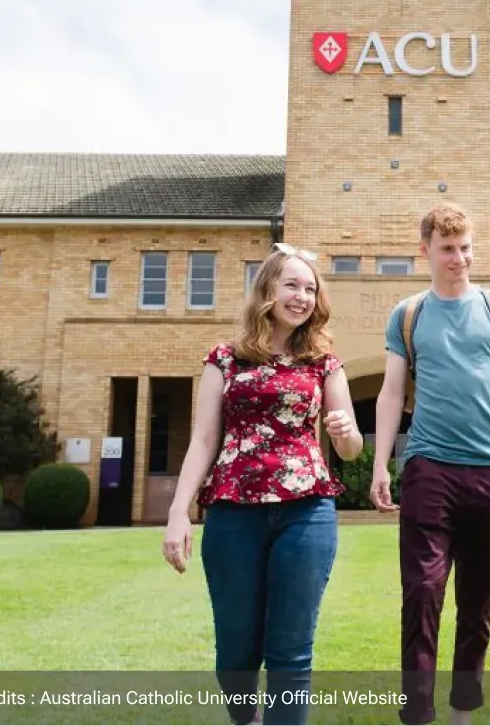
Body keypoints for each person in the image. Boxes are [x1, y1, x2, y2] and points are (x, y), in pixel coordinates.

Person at [162, 243, 364, 726]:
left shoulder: (323, 361)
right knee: (236, 652)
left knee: (291, 653)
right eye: (291, 285)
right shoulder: (224, 360)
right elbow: (204, 438)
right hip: (233, 512)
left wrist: (346, 433)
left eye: (310, 289)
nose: (302, 297)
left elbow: (351, 447)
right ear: (267, 289)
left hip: (306, 510)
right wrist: (177, 513)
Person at [370, 203, 490, 726]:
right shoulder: (408, 314)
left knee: (476, 604)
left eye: (466, 248)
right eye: (448, 249)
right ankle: (417, 712)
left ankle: (463, 713)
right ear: (426, 251)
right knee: (421, 593)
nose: (459, 258)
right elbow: (392, 392)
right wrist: (381, 465)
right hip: (428, 469)